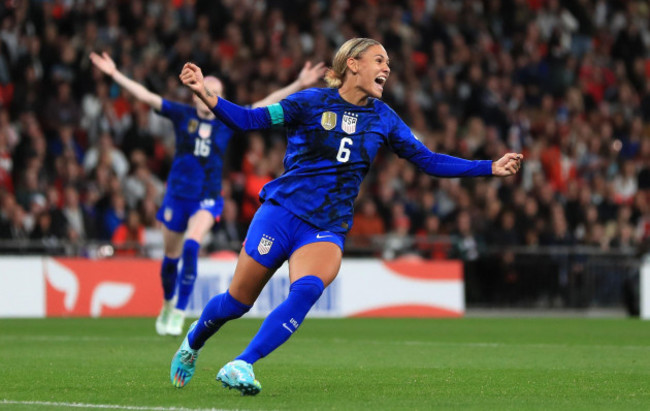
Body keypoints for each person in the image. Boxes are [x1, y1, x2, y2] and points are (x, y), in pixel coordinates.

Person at [171, 38, 523, 395]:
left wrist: (489, 167)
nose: (387, 68)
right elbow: (249, 120)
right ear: (353, 64)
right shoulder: (308, 103)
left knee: (306, 289)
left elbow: (428, 160)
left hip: (326, 227)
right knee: (236, 302)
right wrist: (204, 92)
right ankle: (192, 343)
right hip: (280, 213)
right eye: (379, 60)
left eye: (388, 63)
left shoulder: (384, 119)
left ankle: (242, 363)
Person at [89, 52, 326, 336]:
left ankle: (180, 310)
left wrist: (298, 82)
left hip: (208, 197)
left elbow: (266, 102)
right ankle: (167, 303)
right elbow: (146, 95)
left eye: (216, 92)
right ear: (194, 93)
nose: (209, 95)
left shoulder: (226, 121)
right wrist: (115, 74)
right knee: (170, 258)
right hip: (176, 196)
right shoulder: (182, 114)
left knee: (192, 244)